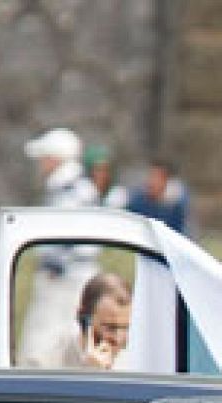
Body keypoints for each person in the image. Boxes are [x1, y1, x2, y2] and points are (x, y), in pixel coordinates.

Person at [18, 128, 102, 366]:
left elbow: (65, 233)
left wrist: (54, 265)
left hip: (65, 277)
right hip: (76, 275)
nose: (41, 164)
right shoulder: (78, 187)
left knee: (46, 337)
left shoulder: (68, 189)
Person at [24, 272, 131, 370]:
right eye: (110, 328)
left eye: (125, 328)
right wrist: (92, 373)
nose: (119, 339)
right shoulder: (42, 366)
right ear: (83, 318)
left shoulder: (135, 367)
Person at [126, 157, 190, 233]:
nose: (152, 182)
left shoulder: (175, 208)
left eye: (158, 177)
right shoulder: (137, 203)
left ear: (166, 181)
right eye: (151, 176)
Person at [84, 144, 129, 208]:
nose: (102, 174)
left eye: (106, 169)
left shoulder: (119, 193)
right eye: (98, 170)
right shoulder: (80, 192)